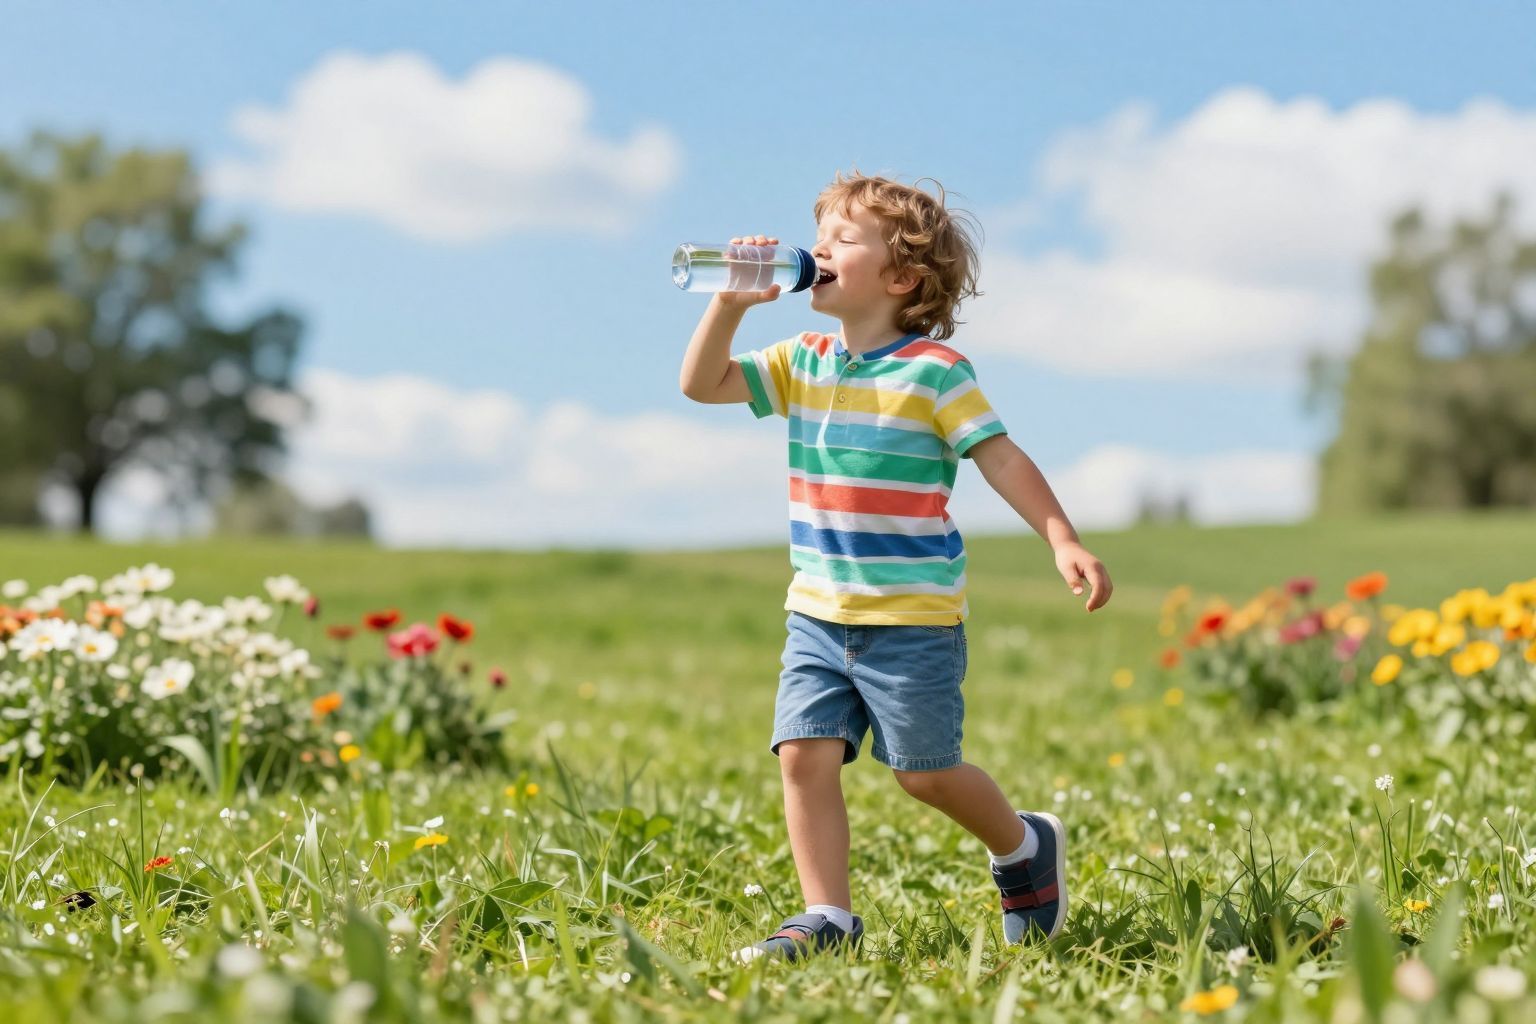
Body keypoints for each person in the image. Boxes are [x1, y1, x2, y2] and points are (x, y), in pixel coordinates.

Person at [678, 171, 1113, 964]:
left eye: (843, 239)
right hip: (816, 612)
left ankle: (1023, 847)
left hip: (910, 620)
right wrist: (729, 302)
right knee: (803, 755)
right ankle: (827, 917)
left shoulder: (935, 372)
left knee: (926, 775)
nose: (819, 250)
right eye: (821, 236)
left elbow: (1002, 458)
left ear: (901, 277)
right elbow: (701, 383)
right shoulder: (801, 359)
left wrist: (1061, 536)